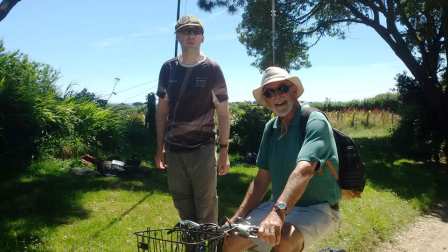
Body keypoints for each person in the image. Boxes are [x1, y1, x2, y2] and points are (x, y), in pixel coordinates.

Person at [223, 66, 341, 252]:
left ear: (294, 91)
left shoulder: (314, 121)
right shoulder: (271, 128)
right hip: (277, 205)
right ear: (266, 100)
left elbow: (304, 170)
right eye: (270, 92)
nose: (277, 96)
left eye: (282, 89)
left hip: (317, 208)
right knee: (232, 239)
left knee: (283, 240)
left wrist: (278, 213)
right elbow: (262, 179)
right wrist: (238, 218)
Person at [154, 15, 230, 224]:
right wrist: (159, 148)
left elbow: (223, 113)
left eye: (195, 31)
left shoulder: (212, 69)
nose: (191, 35)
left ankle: (210, 247)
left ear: (202, 38)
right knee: (183, 207)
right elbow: (161, 112)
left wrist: (224, 151)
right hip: (174, 151)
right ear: (177, 36)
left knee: (206, 208)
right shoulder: (168, 69)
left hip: (203, 149)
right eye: (185, 31)